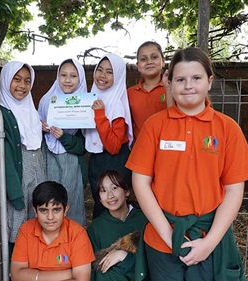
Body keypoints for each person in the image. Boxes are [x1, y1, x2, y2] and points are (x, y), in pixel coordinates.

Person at [125, 47, 248, 281]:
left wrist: (209, 243)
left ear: (210, 81)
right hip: (162, 238)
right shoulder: (155, 125)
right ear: (170, 83)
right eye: (181, 79)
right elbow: (140, 181)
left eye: (196, 78)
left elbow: (234, 190)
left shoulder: (227, 128)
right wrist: (166, 233)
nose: (188, 86)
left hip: (206, 237)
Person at [0, 181, 109, 281]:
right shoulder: (26, 230)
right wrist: (68, 274)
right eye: (43, 210)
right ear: (35, 211)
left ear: (66, 209)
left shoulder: (77, 233)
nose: (50, 217)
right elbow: (17, 275)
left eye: (56, 210)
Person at [87, 170, 153, 281]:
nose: (109, 195)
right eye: (103, 191)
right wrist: (133, 267)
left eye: (115, 188)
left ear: (127, 191)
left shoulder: (145, 220)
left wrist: (124, 257)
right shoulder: (96, 227)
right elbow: (96, 271)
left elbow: (152, 263)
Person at [0, 61, 47, 250]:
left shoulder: (31, 111)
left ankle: (34, 259)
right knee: (18, 219)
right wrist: (14, 191)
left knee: (36, 216)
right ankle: (14, 266)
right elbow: (6, 155)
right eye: (16, 80)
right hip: (19, 175)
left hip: (36, 170)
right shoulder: (2, 113)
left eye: (27, 81)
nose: (22, 86)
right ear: (5, 81)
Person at [38, 58, 88, 226]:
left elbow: (83, 146)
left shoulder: (85, 104)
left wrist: (64, 136)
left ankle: (73, 244)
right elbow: (33, 131)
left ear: (80, 79)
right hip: (48, 157)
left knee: (70, 201)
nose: (67, 80)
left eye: (73, 76)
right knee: (49, 200)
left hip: (71, 161)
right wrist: (40, 127)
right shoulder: (46, 101)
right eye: (63, 75)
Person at [84, 53, 134, 219]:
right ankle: (102, 242)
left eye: (110, 72)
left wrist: (100, 115)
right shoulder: (93, 98)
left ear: (118, 76)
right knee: (100, 204)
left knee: (114, 206)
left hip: (114, 161)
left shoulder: (116, 103)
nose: (102, 75)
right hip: (97, 159)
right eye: (100, 70)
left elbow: (113, 146)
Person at [127, 41, 172, 142]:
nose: (149, 62)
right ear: (138, 66)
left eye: (154, 57)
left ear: (163, 61)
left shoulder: (172, 88)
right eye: (143, 59)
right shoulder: (130, 93)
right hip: (141, 147)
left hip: (167, 146)